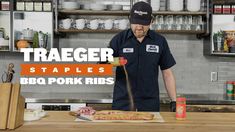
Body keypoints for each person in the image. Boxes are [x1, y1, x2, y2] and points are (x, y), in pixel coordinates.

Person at [108, 1, 177, 112]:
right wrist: (115, 61)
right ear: (130, 20)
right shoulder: (119, 39)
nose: (139, 27)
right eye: (136, 23)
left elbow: (167, 73)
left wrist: (174, 100)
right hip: (123, 103)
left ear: (151, 21)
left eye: (143, 24)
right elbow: (102, 64)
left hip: (149, 103)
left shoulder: (160, 41)